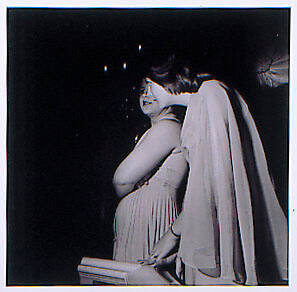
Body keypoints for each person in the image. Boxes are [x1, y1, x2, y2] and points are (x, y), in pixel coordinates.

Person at [142, 55, 288, 286]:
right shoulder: (207, 99)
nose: (146, 94)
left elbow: (214, 187)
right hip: (220, 241)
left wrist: (176, 238)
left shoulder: (211, 96)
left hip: (222, 251)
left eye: (148, 85)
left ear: (168, 77)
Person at [112, 78, 188, 263]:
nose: (145, 95)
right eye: (141, 90)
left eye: (152, 89)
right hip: (144, 220)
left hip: (148, 219)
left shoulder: (167, 127)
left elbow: (121, 181)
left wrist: (135, 184)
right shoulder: (159, 128)